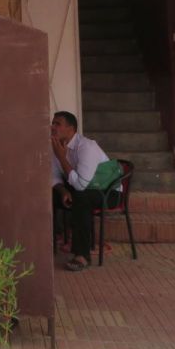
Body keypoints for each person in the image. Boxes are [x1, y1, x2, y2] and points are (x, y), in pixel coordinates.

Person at [50, 110, 122, 272]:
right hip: (81, 187)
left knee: (80, 198)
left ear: (71, 129)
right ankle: (45, 243)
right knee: (48, 195)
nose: (52, 127)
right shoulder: (56, 145)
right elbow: (54, 176)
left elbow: (81, 185)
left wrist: (62, 157)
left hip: (107, 191)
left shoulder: (86, 147)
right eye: (52, 123)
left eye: (57, 124)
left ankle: (82, 256)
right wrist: (62, 191)